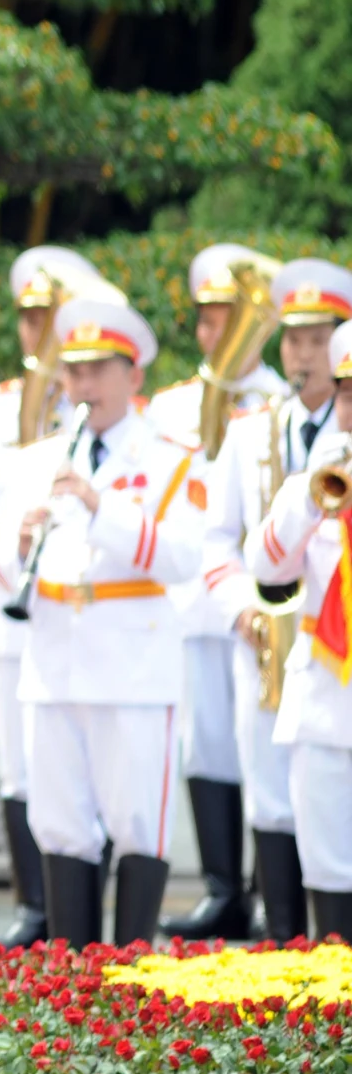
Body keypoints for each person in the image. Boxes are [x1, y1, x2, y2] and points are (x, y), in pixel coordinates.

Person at [0, 295, 203, 947]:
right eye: (73, 373)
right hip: (53, 662)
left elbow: (182, 556)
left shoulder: (170, 458)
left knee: (137, 820)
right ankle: (74, 983)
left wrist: (98, 504)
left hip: (131, 664)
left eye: (97, 371)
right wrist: (21, 546)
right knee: (59, 823)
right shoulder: (35, 461)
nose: (83, 386)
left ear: (133, 377)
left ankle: (130, 974)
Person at [0, 243, 114, 947]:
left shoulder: (108, 405)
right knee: (21, 763)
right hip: (9, 599)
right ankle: (33, 906)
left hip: (81, 608)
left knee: (89, 758)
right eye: (29, 319)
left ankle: (86, 910)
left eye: (50, 318)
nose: (38, 334)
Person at [200, 258, 352, 942]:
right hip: (271, 646)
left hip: (324, 643)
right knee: (274, 793)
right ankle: (284, 942)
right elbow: (228, 545)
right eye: (290, 339)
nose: (301, 353)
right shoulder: (249, 431)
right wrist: (241, 609)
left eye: (316, 339)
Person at [146, 244, 291, 941]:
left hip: (258, 604)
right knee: (206, 746)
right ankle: (219, 887)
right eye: (205, 321)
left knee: (263, 743)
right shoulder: (171, 404)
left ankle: (271, 892)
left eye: (226, 319)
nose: (214, 334)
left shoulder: (277, 402)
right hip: (190, 598)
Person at [243, 318, 352, 940]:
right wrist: (312, 494)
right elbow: (267, 566)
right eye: (347, 394)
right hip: (323, 700)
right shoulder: (313, 486)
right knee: (329, 868)